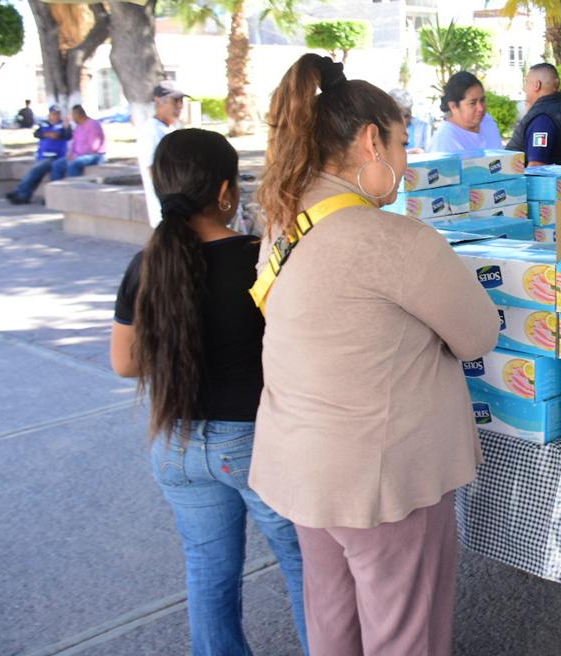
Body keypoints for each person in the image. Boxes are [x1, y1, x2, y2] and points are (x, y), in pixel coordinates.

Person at [251, 54, 499, 655]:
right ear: (371, 140)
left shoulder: (284, 223)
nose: (407, 160)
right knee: (402, 635)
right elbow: (478, 335)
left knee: (333, 624)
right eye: (402, 142)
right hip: (381, 481)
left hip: (303, 469)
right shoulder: (396, 238)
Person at [108, 129, 308, 655]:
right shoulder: (257, 259)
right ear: (225, 191)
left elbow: (124, 363)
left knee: (209, 575)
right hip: (257, 446)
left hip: (175, 445)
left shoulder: (146, 263)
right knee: (305, 567)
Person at [138, 80, 189, 227]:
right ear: (159, 101)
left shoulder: (169, 128)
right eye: (175, 101)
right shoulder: (151, 131)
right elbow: (153, 170)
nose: (180, 105)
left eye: (181, 101)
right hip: (167, 212)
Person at [505, 62, 561, 166]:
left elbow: (537, 166)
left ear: (537, 85)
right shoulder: (560, 107)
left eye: (527, 82)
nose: (524, 88)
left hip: (521, 180)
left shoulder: (542, 119)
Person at [5, 105, 71, 205]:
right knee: (36, 173)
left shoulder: (63, 125)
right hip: (42, 155)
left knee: (36, 170)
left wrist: (62, 132)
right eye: (54, 114)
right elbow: (36, 134)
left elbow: (68, 136)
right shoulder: (44, 124)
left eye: (58, 114)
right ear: (49, 114)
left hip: (56, 156)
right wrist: (46, 134)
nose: (56, 116)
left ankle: (21, 193)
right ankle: (23, 195)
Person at [430, 71, 503, 153]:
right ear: (453, 106)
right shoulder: (443, 141)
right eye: (472, 103)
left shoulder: (487, 121)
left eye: (482, 100)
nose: (481, 108)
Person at [53, 105, 106, 180]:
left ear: (78, 115)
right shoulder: (78, 127)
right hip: (78, 155)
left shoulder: (93, 125)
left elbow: (94, 147)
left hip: (94, 155)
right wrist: (70, 154)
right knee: (57, 164)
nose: (72, 118)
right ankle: (57, 189)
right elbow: (74, 143)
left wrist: (76, 156)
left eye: (73, 115)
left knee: (74, 164)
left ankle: (75, 187)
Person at [389, 87, 432, 154]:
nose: (404, 120)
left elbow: (429, 152)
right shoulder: (385, 128)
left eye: (407, 115)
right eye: (400, 115)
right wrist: (409, 152)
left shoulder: (423, 126)